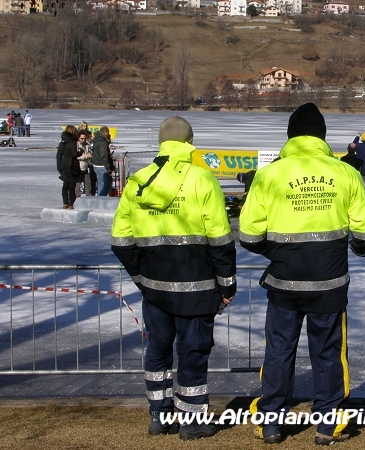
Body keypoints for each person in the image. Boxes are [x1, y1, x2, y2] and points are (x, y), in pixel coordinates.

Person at [239, 103, 365, 445]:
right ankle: (328, 423)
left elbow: (248, 235)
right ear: (322, 136)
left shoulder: (270, 174)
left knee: (279, 349)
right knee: (329, 351)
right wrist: (354, 250)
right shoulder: (344, 173)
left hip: (284, 282)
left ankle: (271, 422)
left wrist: (277, 253)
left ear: (290, 136)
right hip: (329, 282)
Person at [111, 116, 236, 441]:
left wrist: (142, 276)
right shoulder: (202, 179)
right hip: (196, 289)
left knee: (158, 350)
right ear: (189, 143)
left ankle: (160, 415)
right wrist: (226, 283)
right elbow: (220, 238)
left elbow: (121, 239)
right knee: (193, 351)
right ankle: (192, 421)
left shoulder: (139, 181)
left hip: (155, 290)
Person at [56, 125, 82, 209]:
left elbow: (59, 155)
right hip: (71, 166)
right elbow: (74, 154)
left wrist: (59, 166)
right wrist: (80, 152)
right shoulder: (72, 142)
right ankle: (71, 203)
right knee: (71, 186)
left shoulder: (63, 141)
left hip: (64, 166)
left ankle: (65, 203)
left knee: (65, 185)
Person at [91, 126, 113, 196]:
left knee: (101, 184)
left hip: (96, 165)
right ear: (105, 132)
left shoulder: (96, 139)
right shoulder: (103, 142)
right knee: (105, 186)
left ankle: (99, 199)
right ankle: (100, 200)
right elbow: (104, 156)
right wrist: (108, 167)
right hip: (102, 165)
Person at [76, 131, 93, 196]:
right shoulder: (77, 145)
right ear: (78, 138)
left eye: (84, 138)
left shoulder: (87, 144)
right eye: (81, 138)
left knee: (88, 183)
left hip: (85, 167)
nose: (83, 140)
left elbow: (89, 152)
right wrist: (86, 156)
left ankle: (88, 198)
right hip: (79, 167)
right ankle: (77, 198)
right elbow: (76, 157)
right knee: (77, 184)